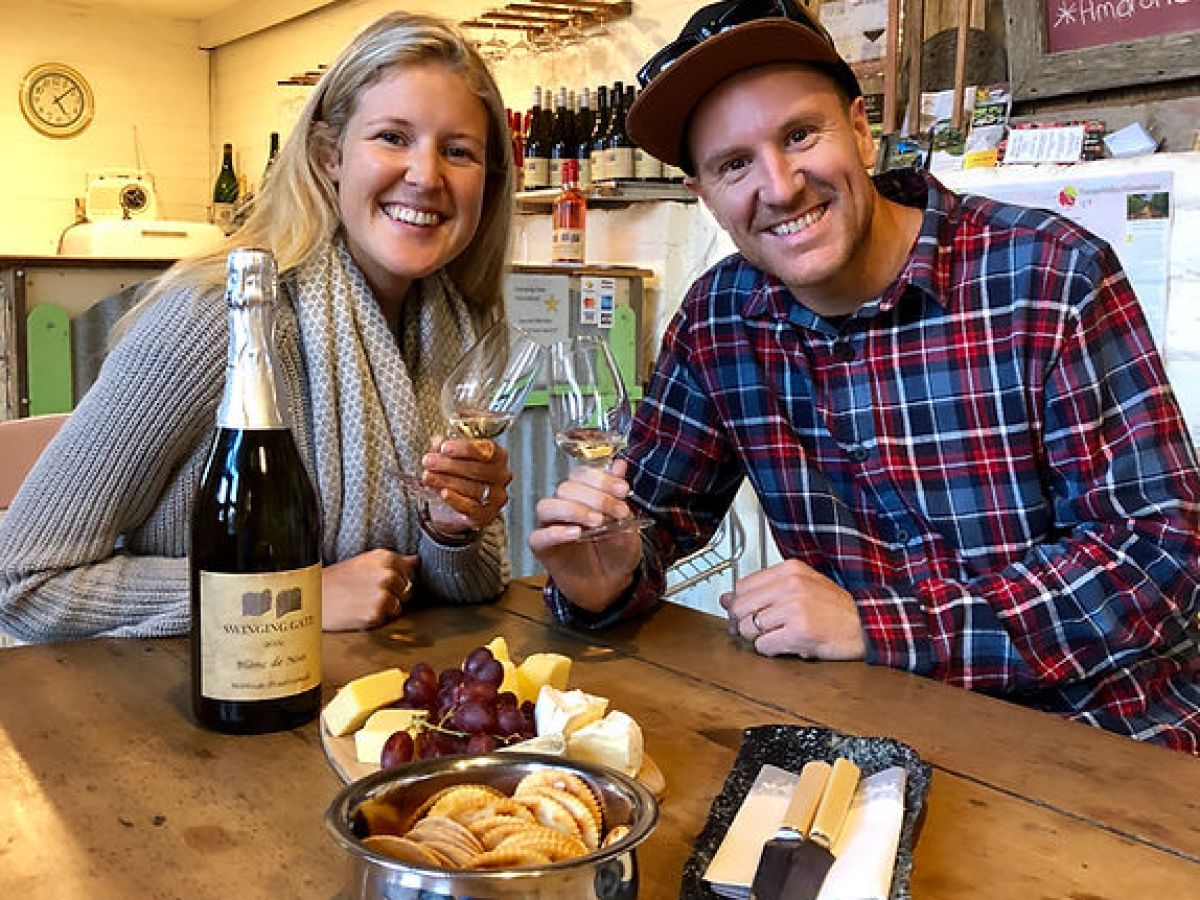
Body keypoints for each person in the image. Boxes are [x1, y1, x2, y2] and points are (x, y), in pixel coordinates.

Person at [529, 0, 1200, 752]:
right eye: (734, 164)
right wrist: (604, 578)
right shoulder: (720, 318)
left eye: (799, 135)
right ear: (703, 194)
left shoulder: (1048, 274)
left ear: (859, 128)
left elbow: (1159, 557)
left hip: (1106, 736)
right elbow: (647, 526)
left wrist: (876, 626)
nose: (780, 186)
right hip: (873, 739)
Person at [0, 12, 517, 641]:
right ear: (329, 156)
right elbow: (23, 582)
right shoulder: (212, 319)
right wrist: (294, 597)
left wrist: (452, 529)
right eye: (392, 137)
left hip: (361, 689)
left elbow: (460, 590)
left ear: (488, 182)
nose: (426, 176)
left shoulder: (454, 331)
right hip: (181, 696)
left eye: (458, 151)